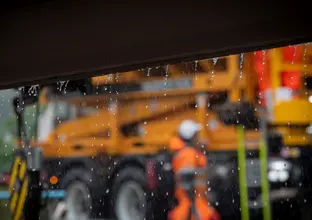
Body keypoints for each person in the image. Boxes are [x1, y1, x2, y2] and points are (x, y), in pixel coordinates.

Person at [168, 120, 220, 220]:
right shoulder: (188, 153)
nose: (198, 137)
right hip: (192, 203)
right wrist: (194, 209)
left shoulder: (188, 152)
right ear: (190, 137)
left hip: (194, 201)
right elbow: (187, 181)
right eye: (196, 135)